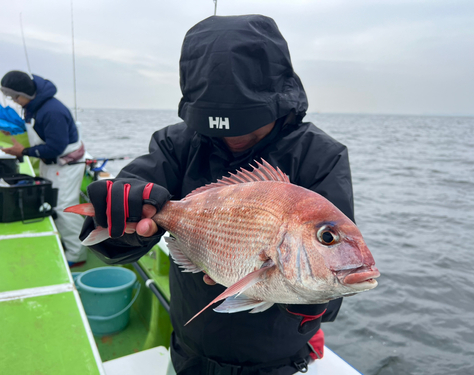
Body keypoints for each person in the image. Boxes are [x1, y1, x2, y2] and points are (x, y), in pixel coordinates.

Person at [81, 15, 355, 375]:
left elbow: (337, 265)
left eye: (248, 122)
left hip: (276, 361)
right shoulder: (174, 144)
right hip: (189, 350)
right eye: (215, 124)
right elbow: (112, 233)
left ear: (279, 101)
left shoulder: (321, 156)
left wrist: (314, 303)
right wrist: (116, 215)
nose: (234, 137)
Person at [1, 71, 87, 267]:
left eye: (15, 96)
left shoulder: (51, 110)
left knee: (64, 207)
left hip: (65, 165)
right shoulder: (34, 105)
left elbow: (56, 146)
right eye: (9, 97)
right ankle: (69, 243)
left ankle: (77, 254)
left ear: (25, 92)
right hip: (51, 163)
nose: (14, 100)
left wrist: (23, 151)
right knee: (53, 201)